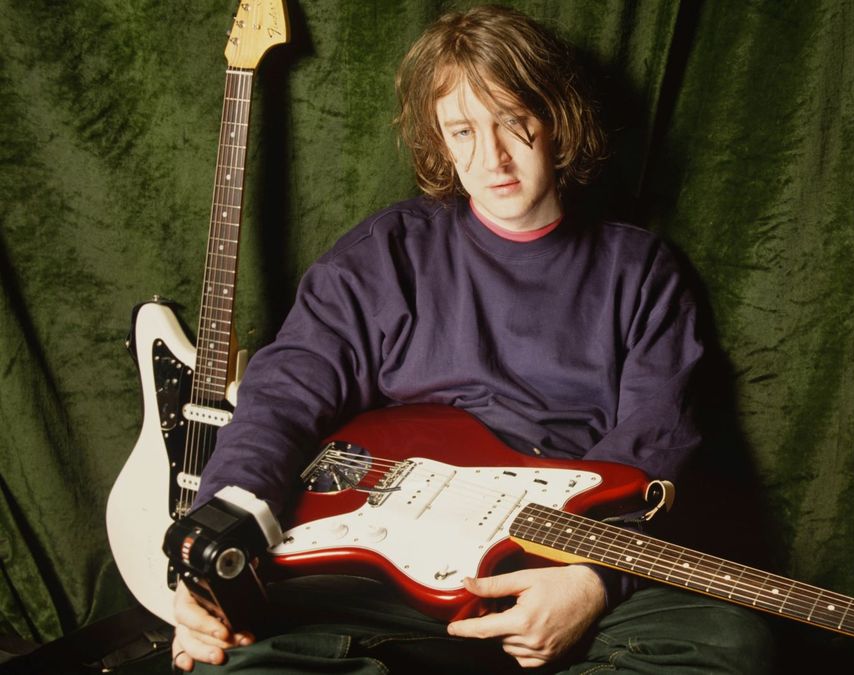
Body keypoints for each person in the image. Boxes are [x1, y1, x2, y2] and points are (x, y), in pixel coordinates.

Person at [170, 5, 772, 673]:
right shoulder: (386, 253)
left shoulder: (642, 272)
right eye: (463, 130)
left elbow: (658, 444)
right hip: (389, 570)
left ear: (557, 119)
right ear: (441, 141)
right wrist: (218, 534)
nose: (492, 158)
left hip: (556, 557)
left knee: (730, 643)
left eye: (514, 121)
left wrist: (591, 580)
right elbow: (282, 393)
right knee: (232, 653)